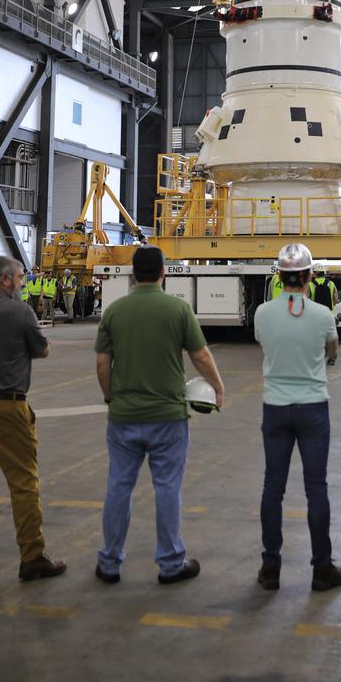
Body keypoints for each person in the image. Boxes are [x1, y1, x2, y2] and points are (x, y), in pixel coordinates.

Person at [94, 244, 224, 585]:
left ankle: (109, 563)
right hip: (167, 417)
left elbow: (102, 362)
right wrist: (217, 388)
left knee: (118, 487)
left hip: (123, 416)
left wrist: (110, 396)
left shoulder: (114, 312)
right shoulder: (178, 309)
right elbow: (201, 356)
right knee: (167, 488)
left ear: (133, 273)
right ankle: (170, 563)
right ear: (163, 272)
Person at [0, 254, 66, 582]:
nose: (23, 283)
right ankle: (32, 556)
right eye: (20, 278)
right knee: (23, 482)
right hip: (6, 406)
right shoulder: (20, 311)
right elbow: (42, 349)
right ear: (5, 280)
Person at [253, 242, 341, 592]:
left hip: (275, 408)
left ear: (279, 275)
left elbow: (265, 343)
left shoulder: (263, 313)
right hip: (313, 409)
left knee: (272, 487)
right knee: (316, 488)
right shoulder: (322, 314)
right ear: (308, 276)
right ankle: (322, 568)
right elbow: (332, 350)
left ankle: (270, 566)